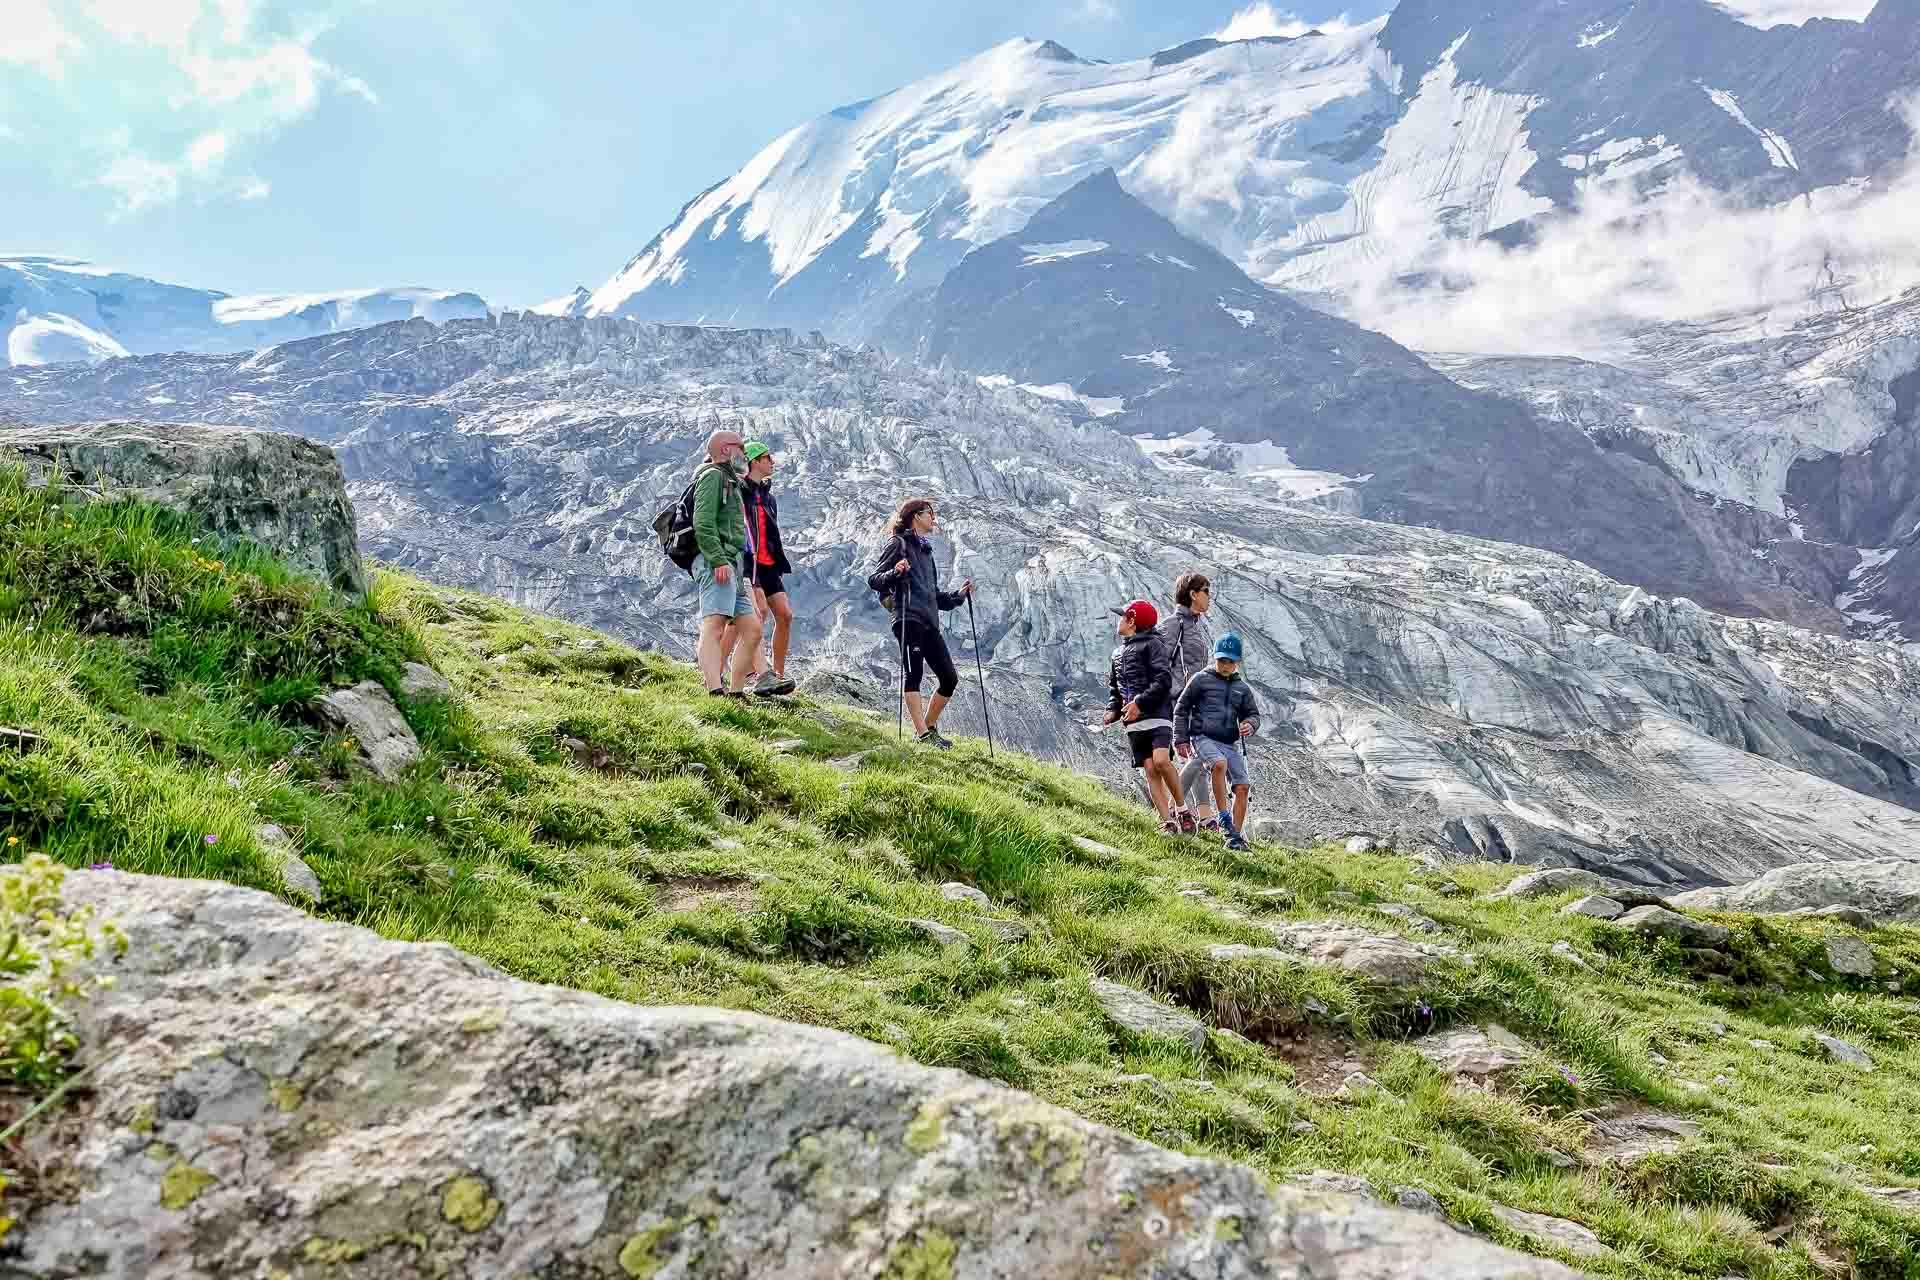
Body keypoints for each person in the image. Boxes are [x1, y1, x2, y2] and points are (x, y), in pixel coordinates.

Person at [866, 497, 973, 749]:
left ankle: (927, 728)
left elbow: (935, 596)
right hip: (907, 617)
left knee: (949, 678)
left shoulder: (926, 552)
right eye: (930, 514)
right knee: (913, 674)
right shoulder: (898, 544)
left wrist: (958, 596)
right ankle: (923, 734)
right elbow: (874, 579)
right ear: (916, 516)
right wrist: (896, 572)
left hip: (929, 620)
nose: (933, 519)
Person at [1103, 598, 1191, 834]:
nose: (1119, 620)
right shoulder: (1117, 654)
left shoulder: (1153, 645)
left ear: (1132, 621)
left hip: (1158, 714)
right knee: (1150, 769)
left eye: (1122, 616)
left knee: (1162, 761)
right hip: (1133, 723)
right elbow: (1115, 688)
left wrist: (1139, 703)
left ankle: (1182, 809)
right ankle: (1167, 822)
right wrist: (1113, 709)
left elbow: (1163, 681)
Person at [690, 428, 762, 698]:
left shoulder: (730, 480)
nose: (744, 452)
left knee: (752, 630)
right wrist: (718, 559)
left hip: (732, 564)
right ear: (724, 449)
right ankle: (713, 690)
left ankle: (736, 690)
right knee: (715, 625)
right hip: (716, 563)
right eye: (740, 447)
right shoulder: (712, 477)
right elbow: (703, 522)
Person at [1174, 631, 1261, 851]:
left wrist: (1250, 724)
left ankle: (1235, 837)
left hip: (1229, 743)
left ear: (1237, 663)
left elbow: (1253, 714)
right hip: (1202, 737)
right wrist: (1180, 738)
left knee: (1242, 786)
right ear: (1215, 657)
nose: (1225, 665)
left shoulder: (1242, 689)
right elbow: (1181, 709)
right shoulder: (1201, 679)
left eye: (1230, 661)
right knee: (1218, 764)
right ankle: (1224, 819)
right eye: (1222, 660)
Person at [735, 441, 796, 697]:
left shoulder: (767, 496)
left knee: (785, 615)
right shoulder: (741, 491)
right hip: (750, 564)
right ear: (754, 461)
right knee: (756, 614)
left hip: (770, 564)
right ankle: (754, 672)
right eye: (767, 457)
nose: (772, 462)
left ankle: (778, 674)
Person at [1159, 572, 1219, 832]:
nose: (1209, 597)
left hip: (1192, 703)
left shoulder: (1194, 626)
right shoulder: (1174, 624)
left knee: (1197, 757)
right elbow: (1159, 663)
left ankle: (1205, 818)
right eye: (1206, 591)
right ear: (1193, 594)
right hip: (1176, 703)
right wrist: (1172, 691)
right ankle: (1175, 808)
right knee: (1200, 754)